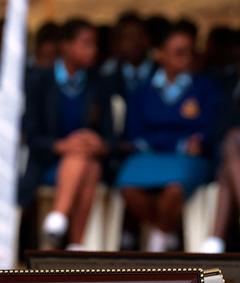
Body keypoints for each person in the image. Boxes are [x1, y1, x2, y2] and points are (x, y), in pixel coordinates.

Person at [117, 23, 219, 252]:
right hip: (150, 157)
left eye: (189, 52)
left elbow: (210, 130)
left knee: (174, 190)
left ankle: (157, 241)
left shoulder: (205, 88)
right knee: (127, 185)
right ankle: (165, 231)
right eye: (179, 52)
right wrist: (177, 142)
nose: (186, 58)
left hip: (189, 160)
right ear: (160, 54)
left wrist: (181, 142)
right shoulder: (142, 91)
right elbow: (133, 134)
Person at [20, 18, 117, 250]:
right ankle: (76, 242)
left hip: (88, 161)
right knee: (82, 159)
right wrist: (61, 145)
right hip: (46, 162)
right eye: (85, 44)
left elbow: (111, 136)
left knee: (87, 161)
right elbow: (31, 134)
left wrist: (98, 143)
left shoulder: (99, 83)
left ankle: (58, 219)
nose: (92, 50)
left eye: (94, 44)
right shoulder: (39, 81)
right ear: (65, 46)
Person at [203, 75, 239, 253]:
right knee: (230, 155)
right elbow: (220, 125)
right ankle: (215, 240)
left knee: (229, 165)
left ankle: (216, 238)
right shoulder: (229, 83)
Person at [101, 12, 154, 100]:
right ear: (118, 43)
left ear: (147, 39)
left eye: (139, 36)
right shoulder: (108, 78)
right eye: (128, 37)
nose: (135, 42)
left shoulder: (162, 74)